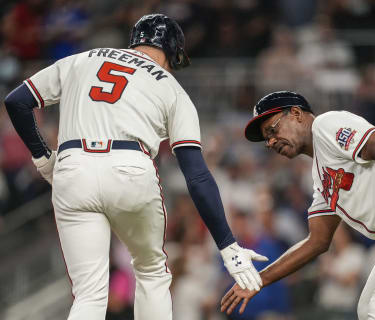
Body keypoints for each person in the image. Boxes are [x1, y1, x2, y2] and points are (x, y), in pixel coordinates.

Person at [3, 13, 267, 320]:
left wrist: (43, 158)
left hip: (72, 166)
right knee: (151, 271)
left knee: (88, 292)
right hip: (130, 166)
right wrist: (228, 245)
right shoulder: (172, 87)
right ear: (171, 51)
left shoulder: (81, 59)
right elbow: (196, 174)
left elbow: (17, 102)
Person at [220, 91, 375, 320]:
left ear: (295, 114)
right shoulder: (320, 178)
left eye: (272, 129)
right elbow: (317, 241)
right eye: (266, 139)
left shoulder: (326, 125)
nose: (271, 141)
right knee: (367, 307)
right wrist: (260, 279)